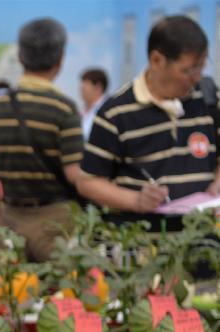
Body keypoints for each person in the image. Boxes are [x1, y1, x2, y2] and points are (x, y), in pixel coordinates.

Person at [78, 16, 218, 232]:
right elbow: (88, 182)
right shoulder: (116, 113)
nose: (196, 78)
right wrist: (135, 200)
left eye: (202, 66)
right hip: (144, 245)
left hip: (204, 239)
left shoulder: (209, 98)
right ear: (156, 60)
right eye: (189, 70)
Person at [0, 18, 83, 262]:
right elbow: (74, 173)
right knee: (59, 296)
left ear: (21, 57)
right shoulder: (64, 109)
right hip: (56, 223)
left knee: (13, 294)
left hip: (11, 219)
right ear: (60, 60)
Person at [80, 68, 108, 140]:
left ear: (98, 87)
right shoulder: (82, 110)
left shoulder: (107, 110)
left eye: (86, 83)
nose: (81, 88)